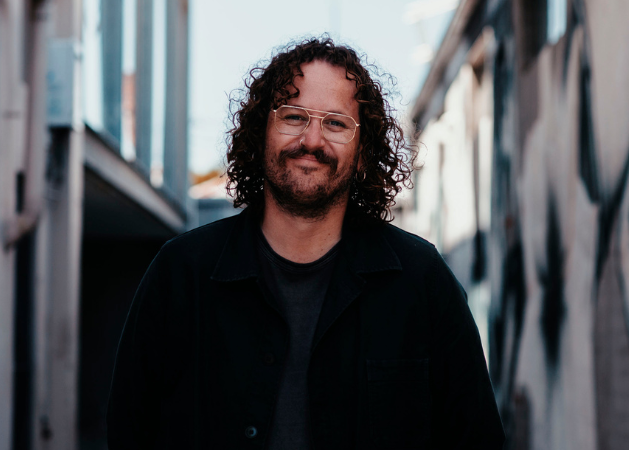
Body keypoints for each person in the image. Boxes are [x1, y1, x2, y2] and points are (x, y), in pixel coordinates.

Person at [107, 37, 505, 450]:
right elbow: (129, 430)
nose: (312, 140)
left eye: (335, 123)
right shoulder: (181, 273)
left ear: (364, 151)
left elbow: (476, 437)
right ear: (261, 131)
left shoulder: (422, 281)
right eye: (294, 116)